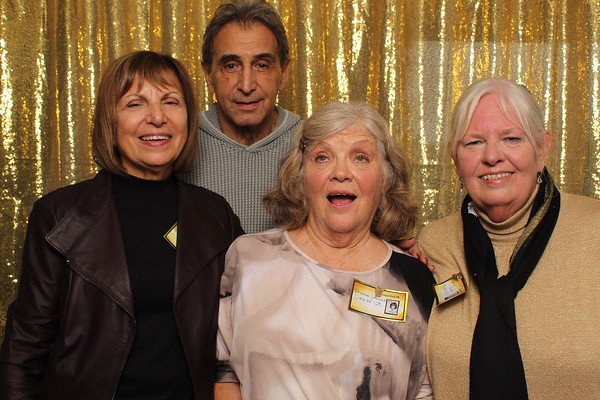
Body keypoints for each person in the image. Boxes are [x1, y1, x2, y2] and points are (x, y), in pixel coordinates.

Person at [0, 50, 243, 399]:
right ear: (110, 121)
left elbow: (247, 324)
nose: (157, 117)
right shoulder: (58, 217)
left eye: (170, 102)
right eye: (135, 104)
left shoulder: (215, 215)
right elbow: (24, 351)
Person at [215, 101, 435, 399]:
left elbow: (423, 389)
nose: (340, 172)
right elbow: (223, 372)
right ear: (300, 175)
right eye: (322, 157)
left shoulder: (412, 279)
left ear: (385, 179)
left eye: (360, 157)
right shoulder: (249, 257)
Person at [418, 77, 600, 399]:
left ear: (542, 148)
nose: (492, 156)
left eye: (511, 138)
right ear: (454, 158)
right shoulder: (432, 244)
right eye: (473, 143)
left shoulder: (594, 229)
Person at [179, 0, 302, 233]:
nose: (246, 85)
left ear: (283, 73)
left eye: (261, 65)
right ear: (208, 75)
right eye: (231, 66)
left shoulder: (313, 145)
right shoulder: (177, 143)